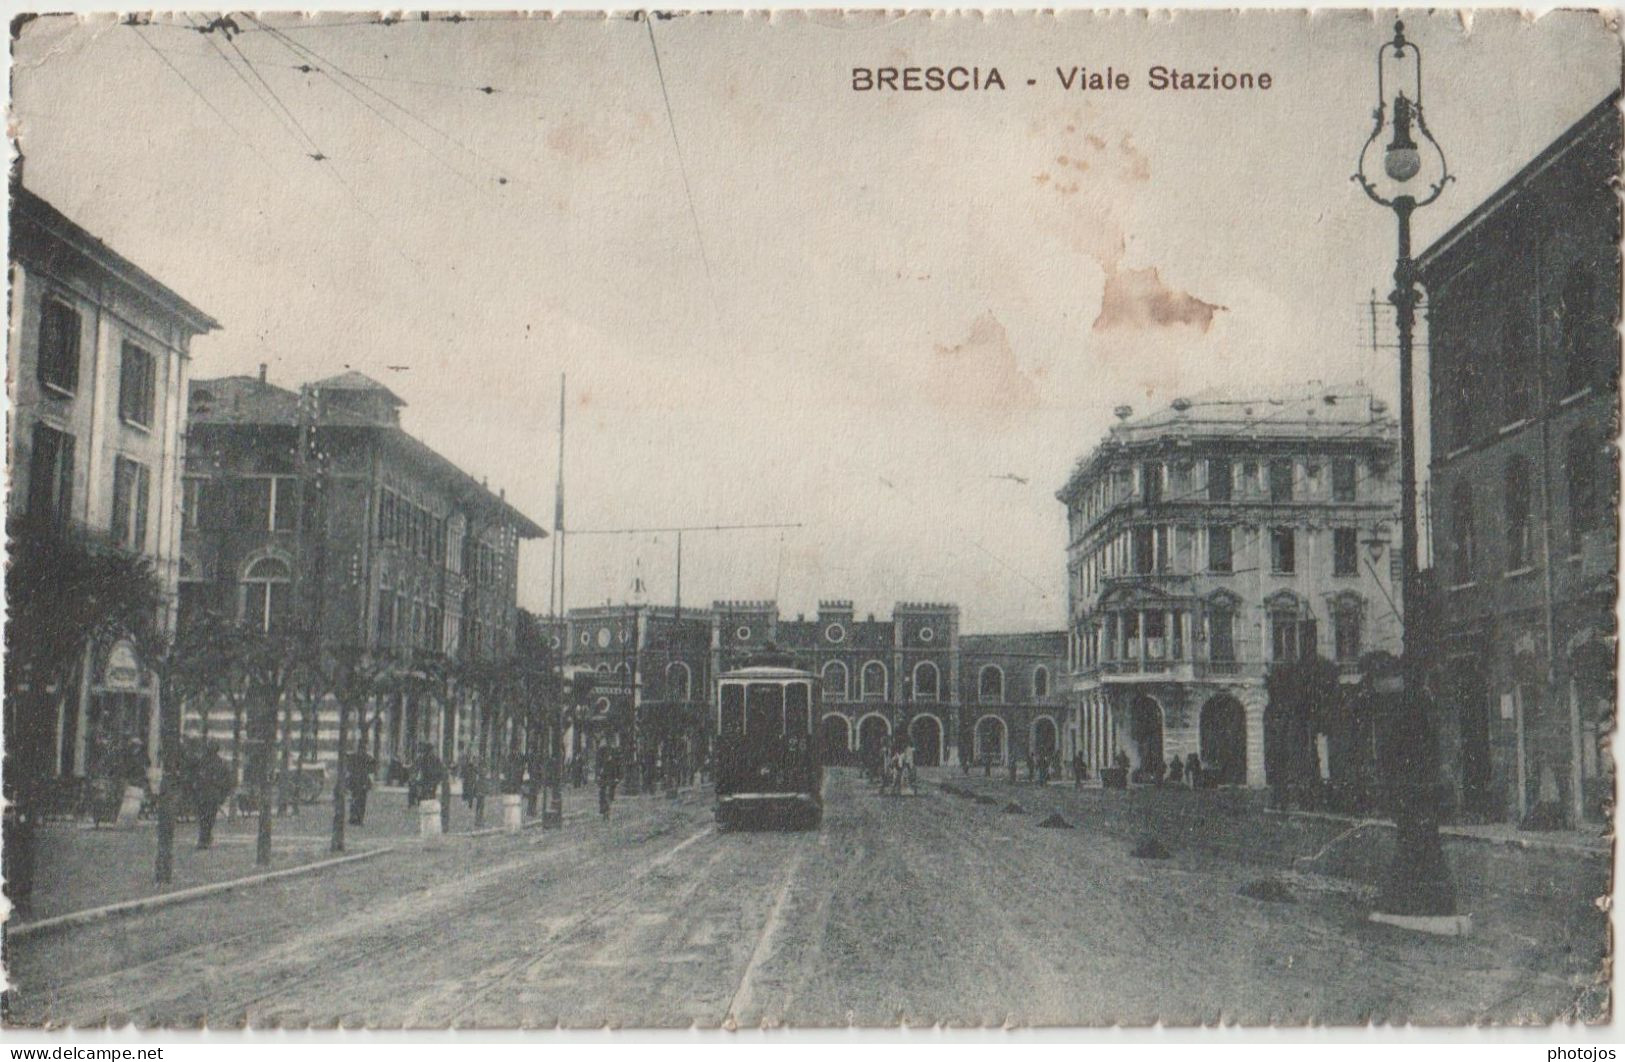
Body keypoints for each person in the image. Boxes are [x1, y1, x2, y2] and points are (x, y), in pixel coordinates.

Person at [193, 742, 233, 849]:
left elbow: (194, 778)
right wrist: (222, 796)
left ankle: (203, 838)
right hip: (214, 795)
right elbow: (228, 782)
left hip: (202, 795)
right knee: (210, 818)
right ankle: (205, 838)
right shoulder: (220, 764)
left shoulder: (201, 762)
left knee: (203, 818)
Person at [347, 742, 375, 826]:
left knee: (354, 799)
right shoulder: (368, 758)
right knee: (362, 801)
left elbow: (348, 767)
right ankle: (359, 818)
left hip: (355, 782)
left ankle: (353, 817)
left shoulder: (353, 757)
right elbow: (372, 770)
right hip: (363, 782)